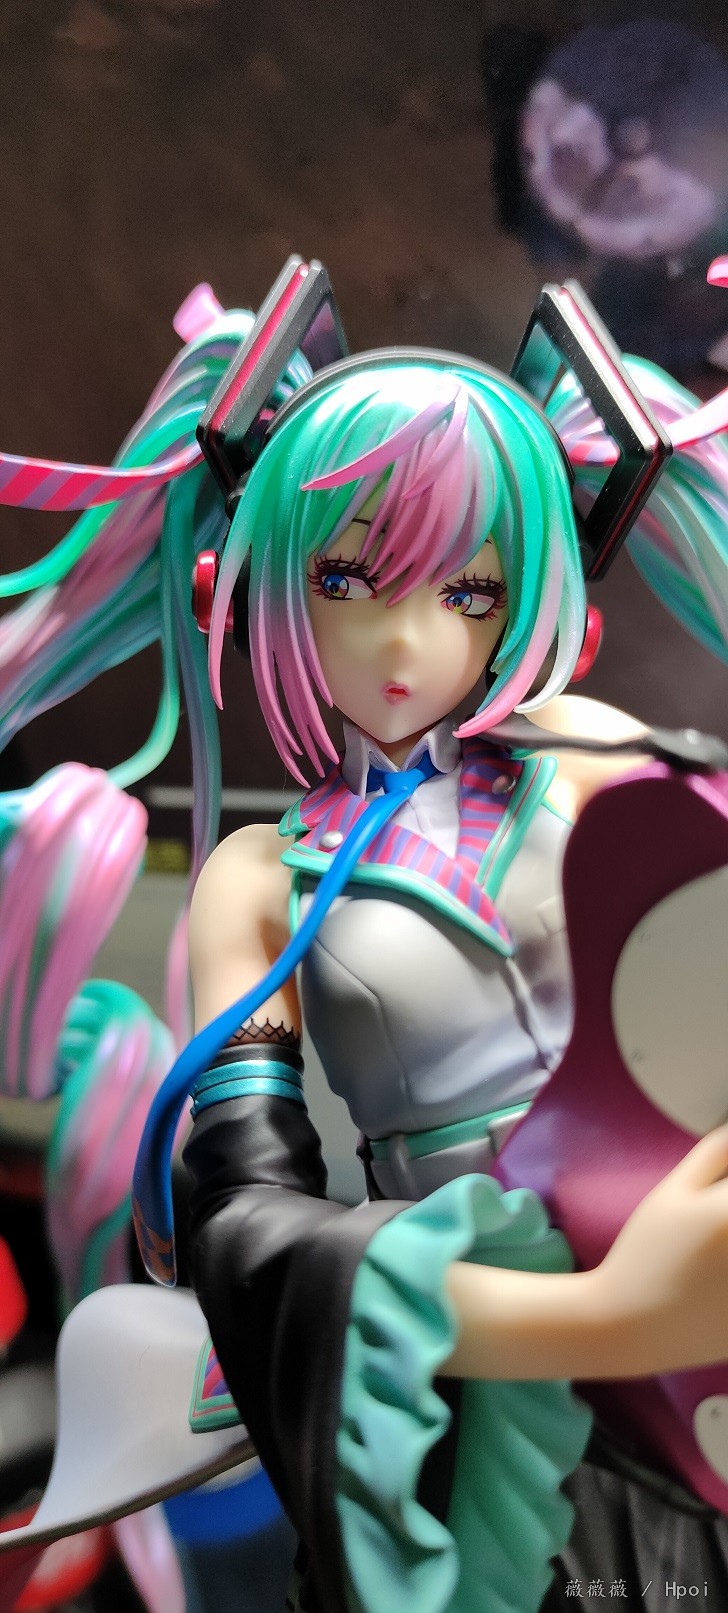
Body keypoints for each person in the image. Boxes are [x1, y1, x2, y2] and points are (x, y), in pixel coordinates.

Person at [0, 269, 727, 1611]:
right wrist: (605, 1315)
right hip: (473, 1369)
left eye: (469, 588)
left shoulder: (594, 762)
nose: (405, 641)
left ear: (533, 592)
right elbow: (247, 1231)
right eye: (347, 578)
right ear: (251, 582)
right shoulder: (259, 879)